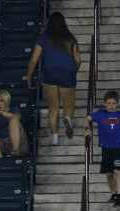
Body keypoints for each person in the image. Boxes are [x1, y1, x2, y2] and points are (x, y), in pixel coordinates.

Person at [23, 12, 81, 145]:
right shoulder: (70, 38)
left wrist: (29, 76)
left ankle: (55, 136)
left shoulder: (43, 38)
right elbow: (78, 59)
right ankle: (67, 118)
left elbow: (34, 60)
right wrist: (73, 70)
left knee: (53, 107)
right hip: (67, 73)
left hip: (49, 74)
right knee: (69, 104)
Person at [86, 90, 120, 206]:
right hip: (106, 149)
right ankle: (114, 193)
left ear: (117, 104)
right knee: (109, 174)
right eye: (109, 103)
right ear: (105, 104)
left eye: (113, 103)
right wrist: (87, 129)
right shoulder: (100, 114)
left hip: (118, 148)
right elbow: (87, 118)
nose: (111, 106)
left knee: (118, 171)